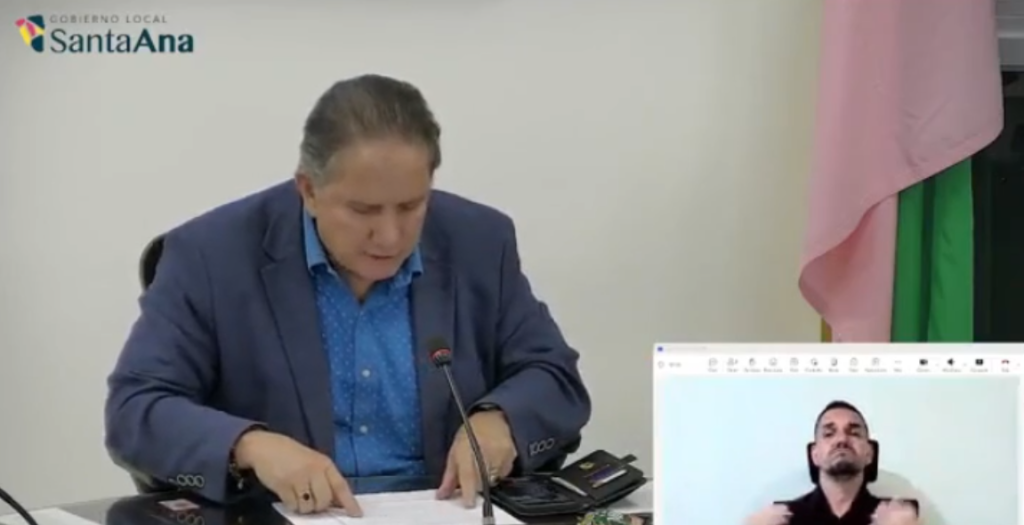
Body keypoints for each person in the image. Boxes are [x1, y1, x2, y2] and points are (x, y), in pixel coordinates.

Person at [104, 74, 592, 516]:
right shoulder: (211, 255)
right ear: (308, 190)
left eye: (411, 206)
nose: (390, 236)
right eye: (363, 210)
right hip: (285, 515)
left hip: (443, 511)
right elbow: (136, 408)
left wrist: (499, 420)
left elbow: (553, 375)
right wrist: (250, 446)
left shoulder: (478, 241)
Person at [744, 401, 919, 525]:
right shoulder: (782, 519)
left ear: (869, 453)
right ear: (814, 455)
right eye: (829, 434)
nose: (842, 439)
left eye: (854, 433)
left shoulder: (898, 518)